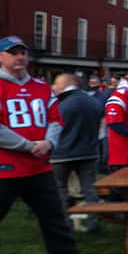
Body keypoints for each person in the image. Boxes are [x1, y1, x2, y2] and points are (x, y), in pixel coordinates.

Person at [0, 36, 88, 254]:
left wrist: (49, 143)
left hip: (37, 167)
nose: (20, 57)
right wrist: (28, 145)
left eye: (23, 52)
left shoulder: (41, 87)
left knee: (54, 216)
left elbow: (55, 118)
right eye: (13, 53)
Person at [49, 73, 105, 232]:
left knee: (60, 190)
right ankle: (92, 221)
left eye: (55, 83)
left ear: (64, 85)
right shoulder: (93, 102)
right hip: (89, 152)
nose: (53, 87)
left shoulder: (60, 104)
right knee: (89, 188)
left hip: (62, 154)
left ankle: (63, 224)